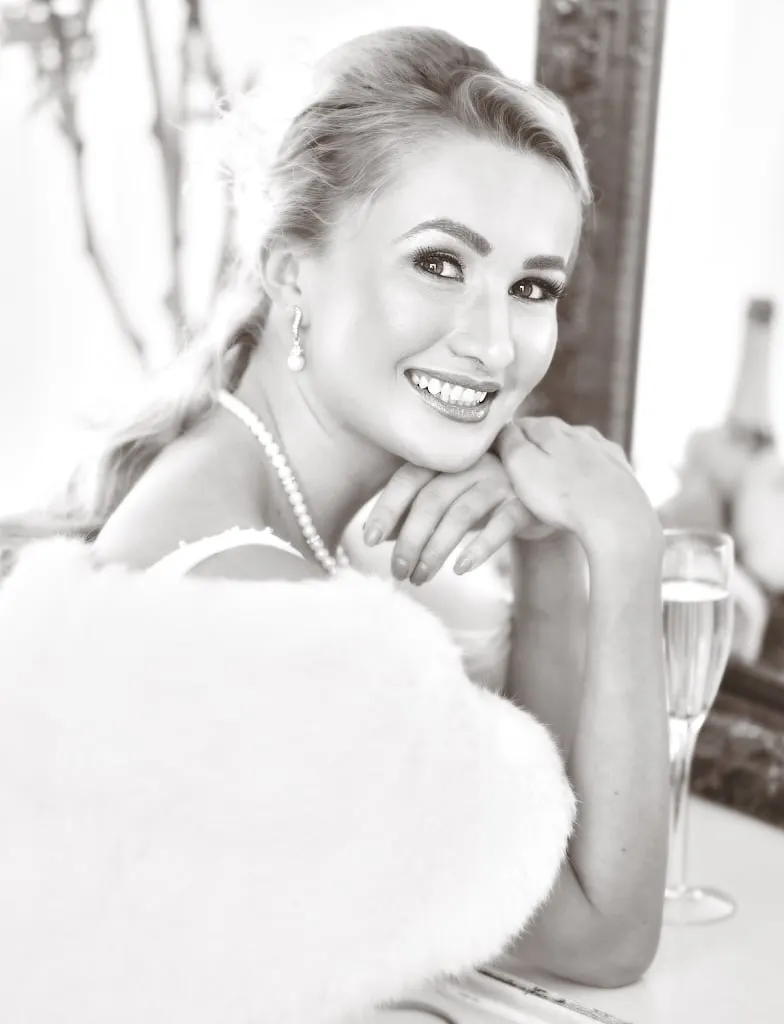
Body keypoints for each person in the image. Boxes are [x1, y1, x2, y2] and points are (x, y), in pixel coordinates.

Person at [0, 24, 668, 1021]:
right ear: (290, 270)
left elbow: (560, 864)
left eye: (532, 285)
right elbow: (601, 935)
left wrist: (547, 548)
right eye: (440, 262)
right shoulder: (272, 617)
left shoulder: (233, 500)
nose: (493, 342)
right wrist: (622, 545)